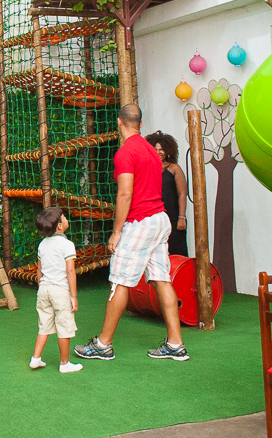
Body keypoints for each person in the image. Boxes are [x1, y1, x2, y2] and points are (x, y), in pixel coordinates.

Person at [75, 104, 189, 362]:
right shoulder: (151, 150)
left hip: (141, 222)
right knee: (161, 279)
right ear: (140, 122)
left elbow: (125, 193)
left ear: (119, 123)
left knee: (119, 280)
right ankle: (175, 344)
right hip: (160, 220)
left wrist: (116, 232)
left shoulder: (126, 152)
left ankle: (103, 345)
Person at [29, 207, 83, 374]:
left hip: (44, 289)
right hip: (60, 290)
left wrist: (41, 285)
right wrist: (73, 296)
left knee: (44, 325)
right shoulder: (67, 245)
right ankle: (64, 363)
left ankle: (35, 359)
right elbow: (70, 271)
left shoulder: (42, 244)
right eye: (65, 218)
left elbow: (40, 269)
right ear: (59, 226)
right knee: (64, 326)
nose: (67, 219)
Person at [146, 131, 189, 257]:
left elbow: (182, 194)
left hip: (173, 218)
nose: (159, 152)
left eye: (162, 149)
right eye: (155, 149)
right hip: (154, 219)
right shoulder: (147, 169)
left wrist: (182, 217)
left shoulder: (174, 168)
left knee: (176, 253)